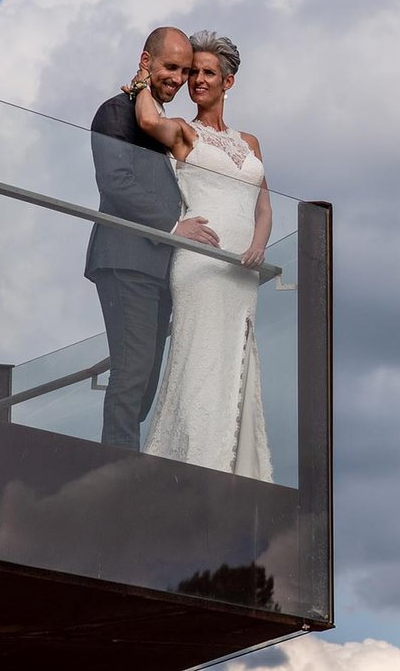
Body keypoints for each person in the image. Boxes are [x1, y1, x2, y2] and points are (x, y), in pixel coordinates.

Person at [130, 29, 275, 481]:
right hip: (200, 265)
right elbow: (148, 120)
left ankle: (235, 471)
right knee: (198, 363)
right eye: (193, 72)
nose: (197, 80)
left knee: (236, 363)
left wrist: (258, 245)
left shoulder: (250, 143)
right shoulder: (184, 131)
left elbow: (264, 207)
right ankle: (191, 471)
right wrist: (142, 80)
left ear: (228, 82)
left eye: (208, 73)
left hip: (242, 272)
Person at [84, 26, 219, 450]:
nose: (178, 79)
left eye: (184, 71)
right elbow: (115, 182)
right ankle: (116, 467)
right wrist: (174, 227)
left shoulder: (163, 123)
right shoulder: (115, 112)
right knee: (132, 371)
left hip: (161, 268)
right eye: (170, 67)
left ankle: (125, 457)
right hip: (125, 260)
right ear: (146, 61)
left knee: (146, 380)